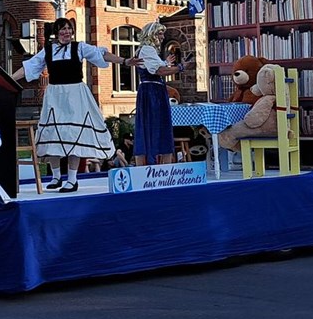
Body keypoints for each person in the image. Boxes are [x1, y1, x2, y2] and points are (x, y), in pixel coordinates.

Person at [13, 16, 137, 192]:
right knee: (52, 134)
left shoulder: (79, 47)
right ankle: (56, 176)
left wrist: (124, 61)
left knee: (74, 136)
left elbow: (101, 54)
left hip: (75, 95)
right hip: (55, 95)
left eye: (69, 29)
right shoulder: (48, 50)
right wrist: (8, 78)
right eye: (63, 29)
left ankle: (72, 179)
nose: (67, 32)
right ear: (56, 33)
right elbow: (29, 67)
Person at [131, 21, 186, 165]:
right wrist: (179, 67)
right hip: (152, 92)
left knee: (153, 127)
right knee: (156, 126)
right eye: (159, 33)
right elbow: (159, 71)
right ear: (151, 35)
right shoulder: (147, 50)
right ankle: (157, 166)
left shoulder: (149, 51)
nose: (162, 37)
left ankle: (154, 164)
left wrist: (165, 62)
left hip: (153, 91)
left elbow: (157, 66)